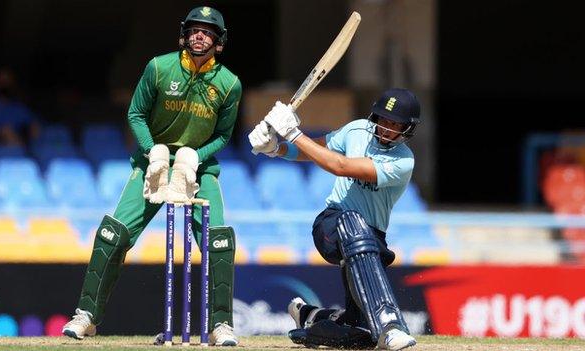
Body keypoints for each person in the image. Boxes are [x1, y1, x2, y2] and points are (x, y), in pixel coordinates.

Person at [62, 6, 242, 346]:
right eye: (194, 30)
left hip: (198, 169)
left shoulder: (229, 84)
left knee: (218, 240)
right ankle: (86, 316)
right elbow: (136, 113)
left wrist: (194, 158)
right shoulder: (159, 67)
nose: (199, 35)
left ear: (218, 41)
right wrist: (152, 151)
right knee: (112, 235)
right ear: (184, 34)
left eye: (207, 31)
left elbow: (223, 135)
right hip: (154, 163)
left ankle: (221, 326)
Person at [249, 88, 421, 350]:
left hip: (371, 240)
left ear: (406, 129)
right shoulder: (357, 130)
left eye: (395, 124)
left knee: (361, 332)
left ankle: (310, 317)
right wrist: (276, 149)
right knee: (352, 220)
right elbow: (317, 149)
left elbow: (340, 166)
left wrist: (294, 133)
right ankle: (390, 325)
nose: (386, 128)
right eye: (383, 120)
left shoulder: (403, 161)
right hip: (332, 224)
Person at [0, 67, 40, 150]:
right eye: (2, 80)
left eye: (7, 80)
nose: (5, 83)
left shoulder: (18, 107)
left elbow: (33, 123)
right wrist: (1, 133)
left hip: (16, 144)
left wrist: (33, 127)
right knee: (6, 133)